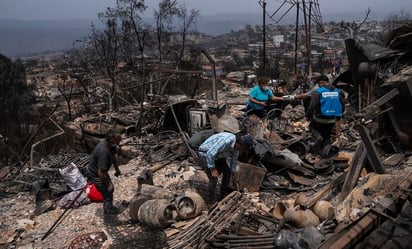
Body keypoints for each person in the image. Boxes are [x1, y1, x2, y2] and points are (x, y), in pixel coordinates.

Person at [197, 132, 254, 206]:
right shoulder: (225, 141)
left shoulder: (236, 147)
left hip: (219, 156)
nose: (241, 150)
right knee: (213, 177)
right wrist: (213, 169)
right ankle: (211, 202)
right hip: (205, 154)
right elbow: (210, 154)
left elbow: (234, 159)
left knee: (227, 172)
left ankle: (222, 195)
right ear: (239, 143)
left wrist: (233, 174)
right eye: (242, 148)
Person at [305, 74, 345, 155]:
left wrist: (308, 116)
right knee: (327, 136)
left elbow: (312, 106)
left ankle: (317, 136)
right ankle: (326, 153)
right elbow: (342, 105)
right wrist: (338, 117)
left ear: (320, 83)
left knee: (312, 127)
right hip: (331, 119)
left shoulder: (318, 92)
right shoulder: (337, 91)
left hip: (319, 119)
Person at [87, 129, 122, 215]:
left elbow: (113, 157)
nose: (120, 140)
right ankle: (108, 211)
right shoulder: (104, 152)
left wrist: (117, 169)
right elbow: (101, 173)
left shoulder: (110, 145)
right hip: (95, 174)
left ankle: (110, 206)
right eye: (118, 139)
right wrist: (108, 184)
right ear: (112, 140)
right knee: (107, 192)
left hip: (101, 172)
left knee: (110, 190)